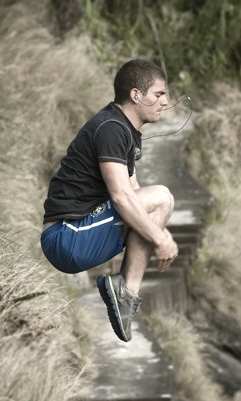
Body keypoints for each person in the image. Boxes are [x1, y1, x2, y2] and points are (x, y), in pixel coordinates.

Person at [41, 59, 178, 342]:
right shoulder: (111, 128)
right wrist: (161, 239)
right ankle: (126, 294)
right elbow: (122, 197)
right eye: (159, 94)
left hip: (79, 234)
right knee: (162, 196)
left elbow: (136, 192)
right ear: (135, 95)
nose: (165, 101)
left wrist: (159, 232)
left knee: (157, 204)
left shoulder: (124, 130)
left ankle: (126, 295)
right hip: (66, 237)